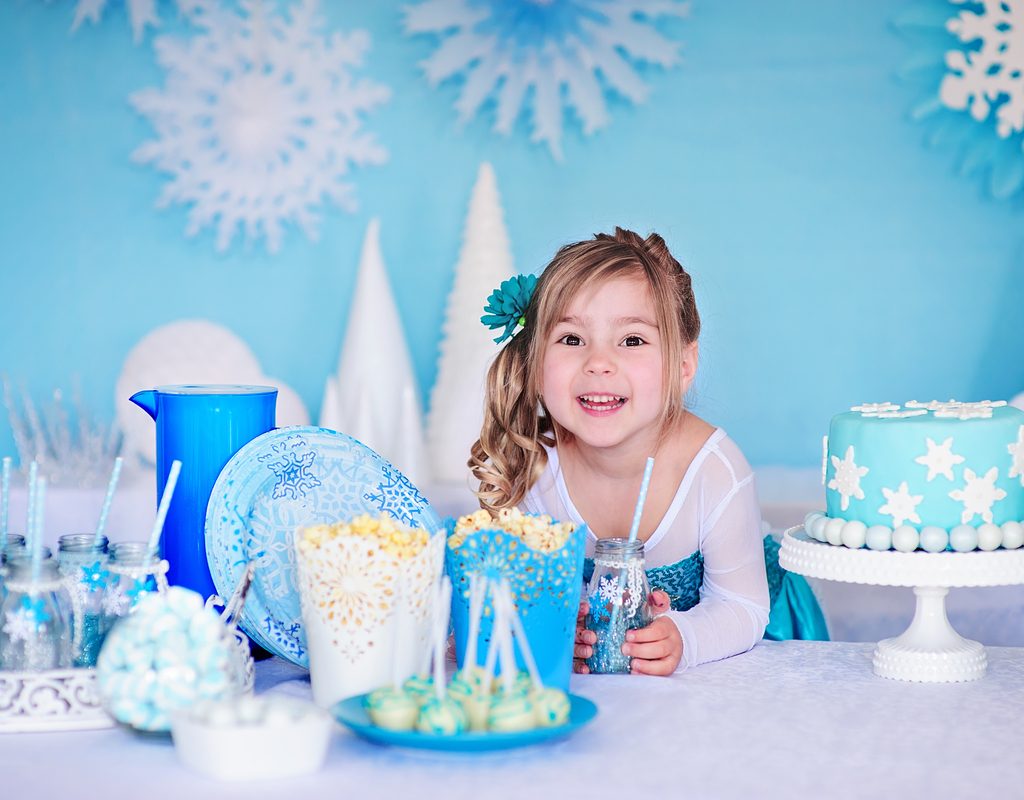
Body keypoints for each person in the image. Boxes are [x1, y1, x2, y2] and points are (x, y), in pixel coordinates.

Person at [469, 227, 826, 677]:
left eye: (632, 340)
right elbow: (515, 596)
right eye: (572, 339)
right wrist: (560, 627)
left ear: (682, 366)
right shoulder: (533, 466)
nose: (599, 362)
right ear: (535, 362)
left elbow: (740, 607)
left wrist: (685, 635)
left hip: (741, 652)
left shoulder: (712, 470)